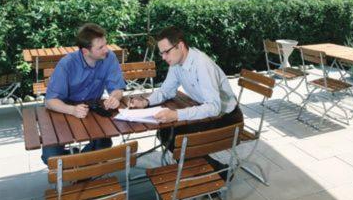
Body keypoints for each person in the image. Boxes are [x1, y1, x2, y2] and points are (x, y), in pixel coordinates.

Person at [129, 26, 243, 167]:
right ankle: (211, 170)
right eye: (161, 53)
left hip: (228, 118)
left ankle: (216, 173)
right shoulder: (176, 63)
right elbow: (166, 91)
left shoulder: (201, 64)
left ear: (180, 46)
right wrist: (146, 102)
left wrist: (176, 114)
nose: (164, 57)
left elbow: (214, 107)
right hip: (210, 113)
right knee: (166, 133)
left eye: (166, 52)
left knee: (179, 139)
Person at [41, 23, 126, 164]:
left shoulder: (109, 57)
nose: (107, 49)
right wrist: (72, 110)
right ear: (86, 51)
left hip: (92, 109)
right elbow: (50, 101)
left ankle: (79, 168)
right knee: (51, 157)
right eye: (101, 47)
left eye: (106, 44)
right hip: (63, 109)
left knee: (104, 144)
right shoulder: (67, 64)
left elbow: (117, 88)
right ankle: (81, 166)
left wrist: (114, 98)